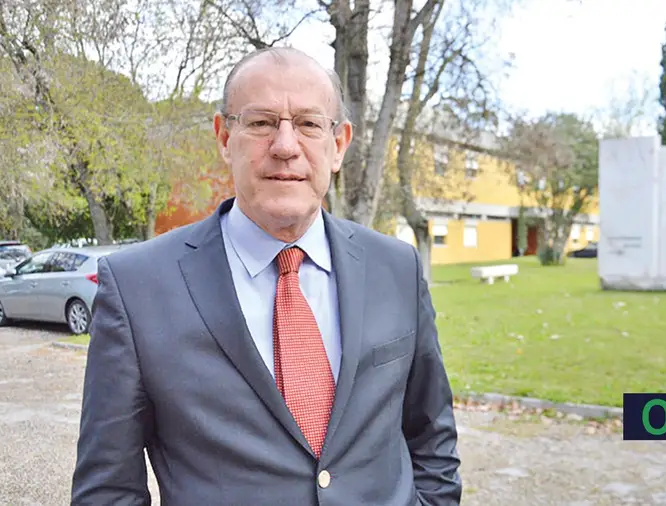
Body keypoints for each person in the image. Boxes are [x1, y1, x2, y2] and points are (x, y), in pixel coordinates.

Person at [71, 46, 462, 505]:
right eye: (260, 123)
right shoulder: (137, 288)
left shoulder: (396, 267)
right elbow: (107, 491)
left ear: (338, 145)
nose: (285, 146)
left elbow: (431, 437)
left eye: (309, 124)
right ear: (223, 137)